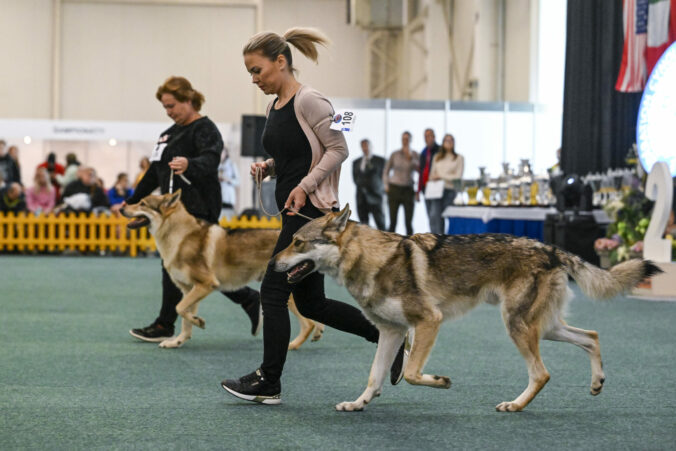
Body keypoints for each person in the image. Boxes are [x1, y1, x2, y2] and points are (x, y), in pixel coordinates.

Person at [221, 28, 407, 405]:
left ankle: (268, 381)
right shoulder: (274, 106)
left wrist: (305, 184)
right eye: (249, 74)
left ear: (281, 62)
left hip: (313, 215)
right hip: (296, 212)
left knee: (272, 291)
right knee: (311, 305)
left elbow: (340, 149)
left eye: (258, 71)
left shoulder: (314, 101)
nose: (254, 80)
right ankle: (391, 335)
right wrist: (270, 168)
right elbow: (298, 154)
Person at [116, 76, 261, 342]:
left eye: (172, 106)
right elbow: (153, 172)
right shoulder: (168, 134)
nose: (169, 112)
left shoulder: (205, 128)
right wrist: (133, 200)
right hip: (173, 212)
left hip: (198, 208)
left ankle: (165, 324)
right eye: (165, 108)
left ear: (189, 100)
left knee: (179, 268)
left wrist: (189, 164)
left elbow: (211, 159)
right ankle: (249, 299)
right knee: (189, 269)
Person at [383, 131, 420, 235]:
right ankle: (390, 245)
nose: (405, 141)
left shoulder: (415, 154)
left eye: (407, 139)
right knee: (392, 222)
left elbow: (419, 170)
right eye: (403, 139)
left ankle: (410, 245)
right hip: (394, 189)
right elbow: (386, 171)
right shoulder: (394, 154)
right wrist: (386, 185)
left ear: (411, 140)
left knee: (408, 223)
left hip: (408, 190)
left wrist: (410, 158)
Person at [428, 134, 464, 234]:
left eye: (451, 140)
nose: (449, 142)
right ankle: (437, 242)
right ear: (443, 142)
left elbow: (457, 177)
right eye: (446, 140)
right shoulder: (437, 157)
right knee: (435, 218)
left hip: (450, 191)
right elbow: (432, 175)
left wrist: (441, 176)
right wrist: (437, 177)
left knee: (450, 217)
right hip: (436, 191)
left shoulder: (458, 158)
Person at [352, 138, 386, 230]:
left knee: (381, 224)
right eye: (363, 146)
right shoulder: (356, 162)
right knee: (363, 226)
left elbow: (384, 177)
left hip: (376, 197)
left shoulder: (380, 161)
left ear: (371, 146)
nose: (365, 148)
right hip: (361, 198)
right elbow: (355, 179)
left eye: (366, 145)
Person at [417, 128, 440, 232]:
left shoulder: (440, 150)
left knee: (435, 216)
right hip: (425, 188)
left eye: (429, 135)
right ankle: (433, 238)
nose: (427, 138)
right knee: (430, 216)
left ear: (434, 137)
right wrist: (418, 190)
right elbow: (421, 172)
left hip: (436, 187)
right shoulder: (423, 152)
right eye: (425, 136)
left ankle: (438, 238)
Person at [218, 147, 239, 220]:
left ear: (226, 153)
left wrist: (228, 180)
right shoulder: (216, 165)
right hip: (218, 196)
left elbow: (238, 181)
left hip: (228, 197)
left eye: (222, 152)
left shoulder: (232, 165)